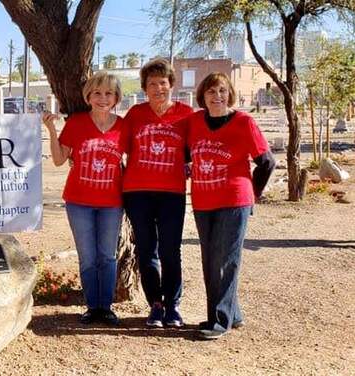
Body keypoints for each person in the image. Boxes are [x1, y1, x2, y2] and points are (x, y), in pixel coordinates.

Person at [185, 73, 275, 340]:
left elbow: (267, 162)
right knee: (210, 261)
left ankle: (219, 320)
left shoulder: (244, 122)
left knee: (225, 261)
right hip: (203, 201)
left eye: (222, 90)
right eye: (211, 91)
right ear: (202, 95)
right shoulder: (194, 122)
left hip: (233, 201)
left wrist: (252, 194)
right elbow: (185, 153)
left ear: (230, 93)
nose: (217, 96)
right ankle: (232, 314)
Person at [42, 71, 127, 327]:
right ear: (89, 96)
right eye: (97, 93)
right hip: (79, 201)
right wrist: (51, 128)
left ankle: (107, 307)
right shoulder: (77, 123)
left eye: (109, 93)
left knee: (107, 256)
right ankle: (93, 307)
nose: (103, 98)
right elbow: (58, 159)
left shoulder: (124, 126)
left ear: (116, 98)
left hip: (112, 202)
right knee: (88, 256)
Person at [122, 58, 193, 328]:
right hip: (137, 192)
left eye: (162, 83)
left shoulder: (186, 114)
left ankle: (173, 305)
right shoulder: (135, 115)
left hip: (172, 192)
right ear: (144, 88)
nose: (158, 89)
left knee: (170, 250)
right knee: (146, 249)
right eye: (152, 84)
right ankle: (155, 304)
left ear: (171, 85)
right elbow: (118, 146)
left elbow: (200, 145)